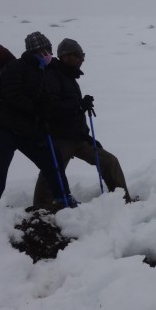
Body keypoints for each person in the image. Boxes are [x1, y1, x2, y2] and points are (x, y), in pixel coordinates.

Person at [0, 32, 76, 207]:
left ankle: (63, 198)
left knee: (52, 159)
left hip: (28, 129)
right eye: (47, 50)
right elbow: (11, 95)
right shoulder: (16, 67)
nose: (50, 54)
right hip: (5, 128)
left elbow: (44, 98)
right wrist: (36, 109)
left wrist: (47, 108)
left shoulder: (40, 71)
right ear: (38, 51)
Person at [33, 38, 131, 208]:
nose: (82, 59)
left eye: (82, 54)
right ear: (65, 56)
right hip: (59, 138)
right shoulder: (52, 76)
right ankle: (41, 209)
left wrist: (86, 136)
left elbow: (74, 113)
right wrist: (79, 105)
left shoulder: (69, 77)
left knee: (109, 161)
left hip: (77, 138)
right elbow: (52, 108)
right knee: (53, 171)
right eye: (78, 55)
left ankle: (123, 201)